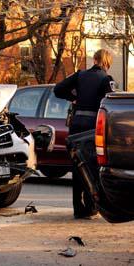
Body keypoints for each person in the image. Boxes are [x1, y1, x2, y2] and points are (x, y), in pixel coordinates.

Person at [54, 49, 116, 219]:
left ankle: (78, 209)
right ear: (107, 63)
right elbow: (111, 101)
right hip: (92, 128)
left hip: (76, 124)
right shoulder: (106, 79)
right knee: (93, 167)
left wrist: (72, 97)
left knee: (77, 166)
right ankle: (91, 206)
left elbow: (58, 90)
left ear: (94, 59)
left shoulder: (80, 75)